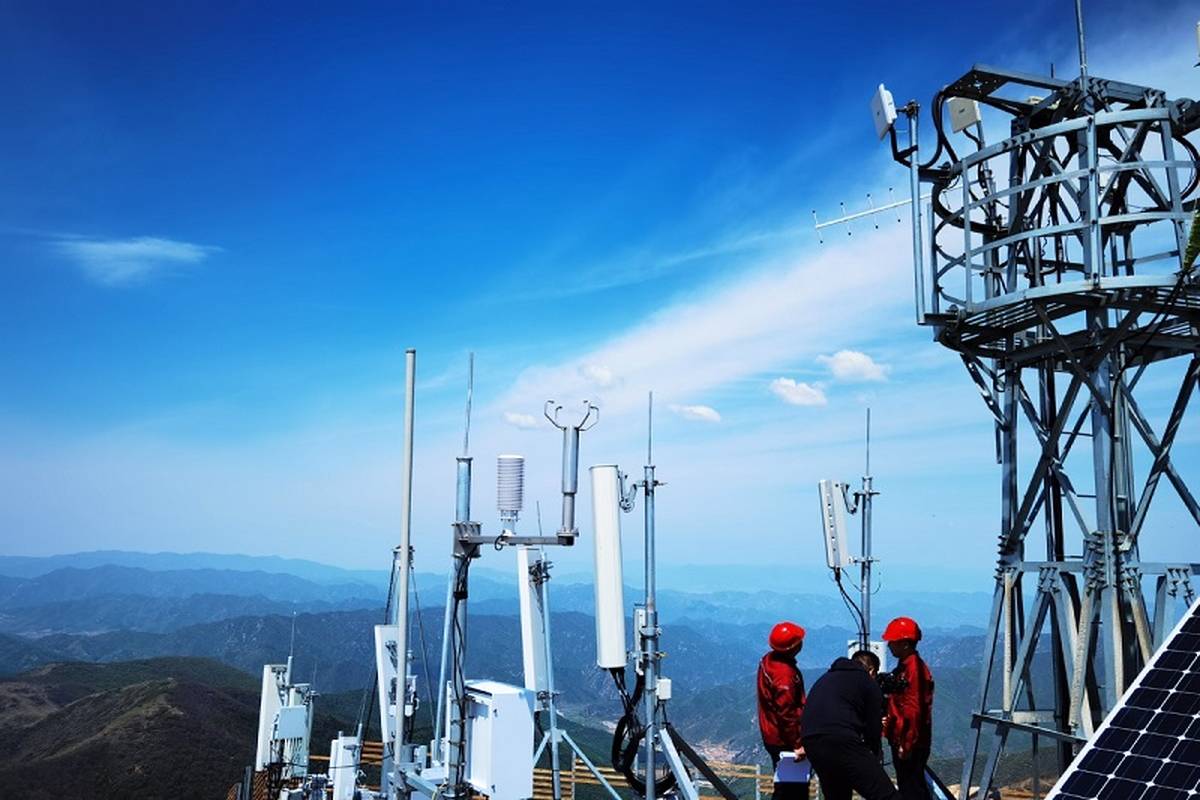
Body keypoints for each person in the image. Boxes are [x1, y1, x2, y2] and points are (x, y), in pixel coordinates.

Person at [800, 650, 901, 800]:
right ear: (872, 670)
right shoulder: (867, 681)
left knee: (837, 794)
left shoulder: (826, 678)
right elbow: (873, 728)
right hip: (841, 740)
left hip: (811, 741)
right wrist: (873, 754)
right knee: (885, 795)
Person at [882, 616, 934, 800]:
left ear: (905, 644)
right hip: (905, 737)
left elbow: (913, 709)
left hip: (909, 740)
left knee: (911, 787)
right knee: (910, 785)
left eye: (893, 642)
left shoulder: (913, 670)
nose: (889, 645)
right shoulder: (906, 667)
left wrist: (907, 743)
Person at [757, 621, 808, 800]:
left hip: (771, 733)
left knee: (784, 786)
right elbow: (787, 714)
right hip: (784, 739)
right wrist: (797, 744)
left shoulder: (768, 660)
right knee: (792, 790)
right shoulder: (784, 675)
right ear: (792, 647)